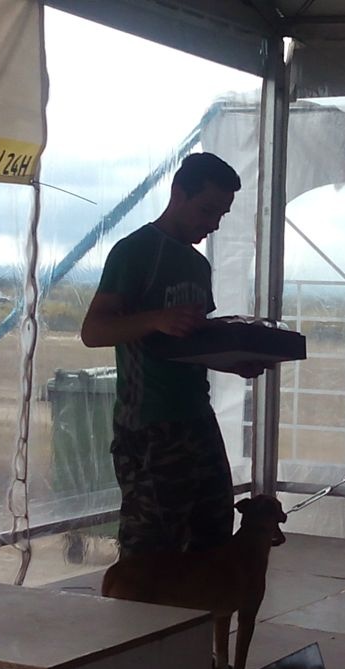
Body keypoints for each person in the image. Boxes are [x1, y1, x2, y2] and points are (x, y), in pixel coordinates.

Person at [81, 152, 262, 557]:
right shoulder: (135, 252)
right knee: (152, 547)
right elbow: (93, 331)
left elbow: (189, 343)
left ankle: (199, 602)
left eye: (222, 214)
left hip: (197, 417)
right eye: (207, 210)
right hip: (149, 424)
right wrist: (155, 319)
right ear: (178, 194)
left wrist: (232, 360)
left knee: (213, 535)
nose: (213, 223)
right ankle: (142, 603)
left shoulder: (198, 266)